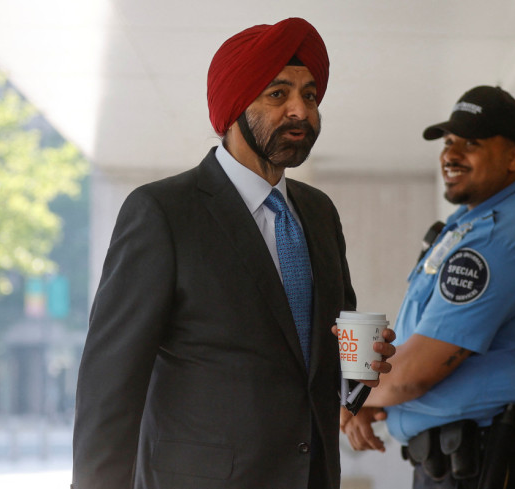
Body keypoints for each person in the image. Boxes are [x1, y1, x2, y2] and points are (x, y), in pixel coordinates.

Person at [71, 17, 395, 489]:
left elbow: (328, 351)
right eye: (278, 94)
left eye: (309, 95)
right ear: (234, 105)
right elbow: (110, 385)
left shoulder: (319, 213)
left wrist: (357, 375)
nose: (300, 111)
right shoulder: (162, 212)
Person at [340, 86, 515, 489]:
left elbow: (412, 374)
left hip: (489, 465)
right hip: (463, 463)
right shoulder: (470, 224)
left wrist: (349, 398)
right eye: (448, 142)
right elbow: (410, 357)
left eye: (472, 143)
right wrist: (361, 398)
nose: (450, 155)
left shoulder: (503, 237)